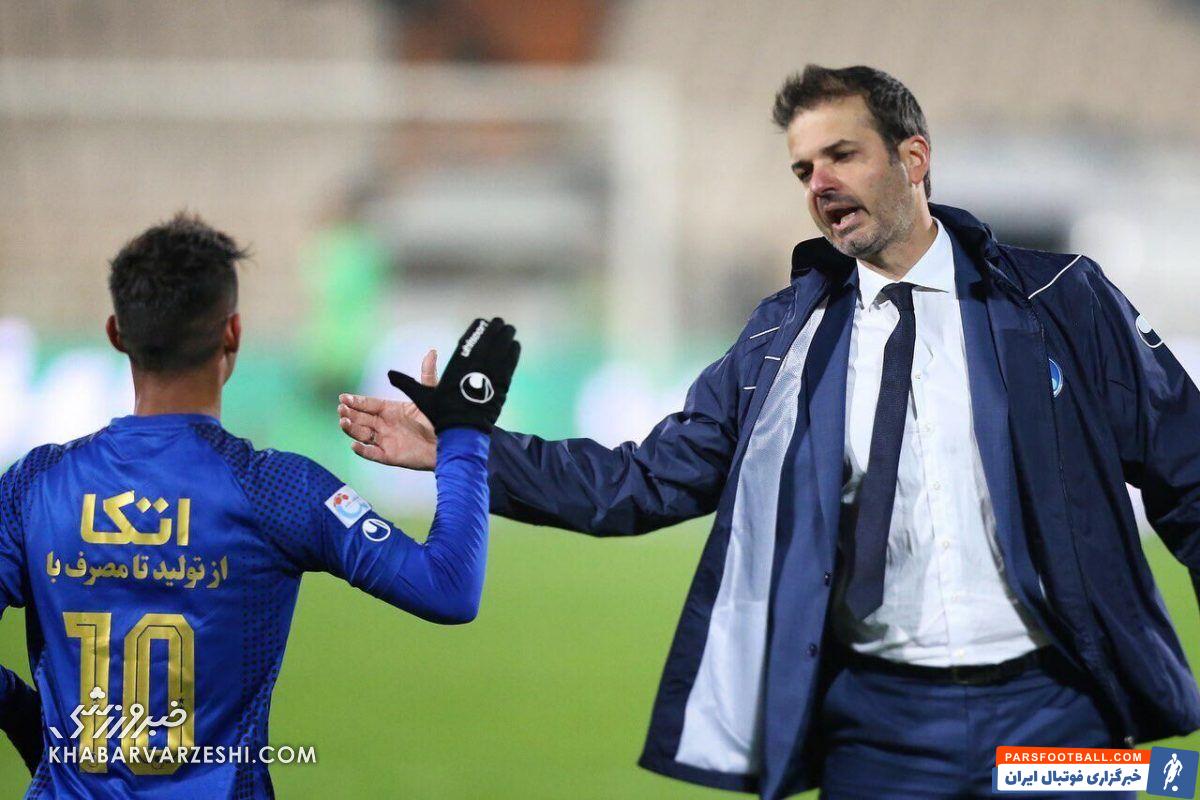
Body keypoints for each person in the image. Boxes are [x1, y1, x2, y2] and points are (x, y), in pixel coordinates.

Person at [338, 64, 1200, 799]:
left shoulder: (1060, 300)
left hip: (1056, 713)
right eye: (802, 169)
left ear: (913, 159)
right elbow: (647, 479)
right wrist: (464, 449)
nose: (820, 183)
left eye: (842, 155)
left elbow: (1190, 472)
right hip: (880, 728)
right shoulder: (781, 340)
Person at [0, 213, 519, 797]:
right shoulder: (278, 489)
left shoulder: (34, 486)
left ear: (117, 333)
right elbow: (448, 589)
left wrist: (27, 717)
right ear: (233, 333)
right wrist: (462, 438)